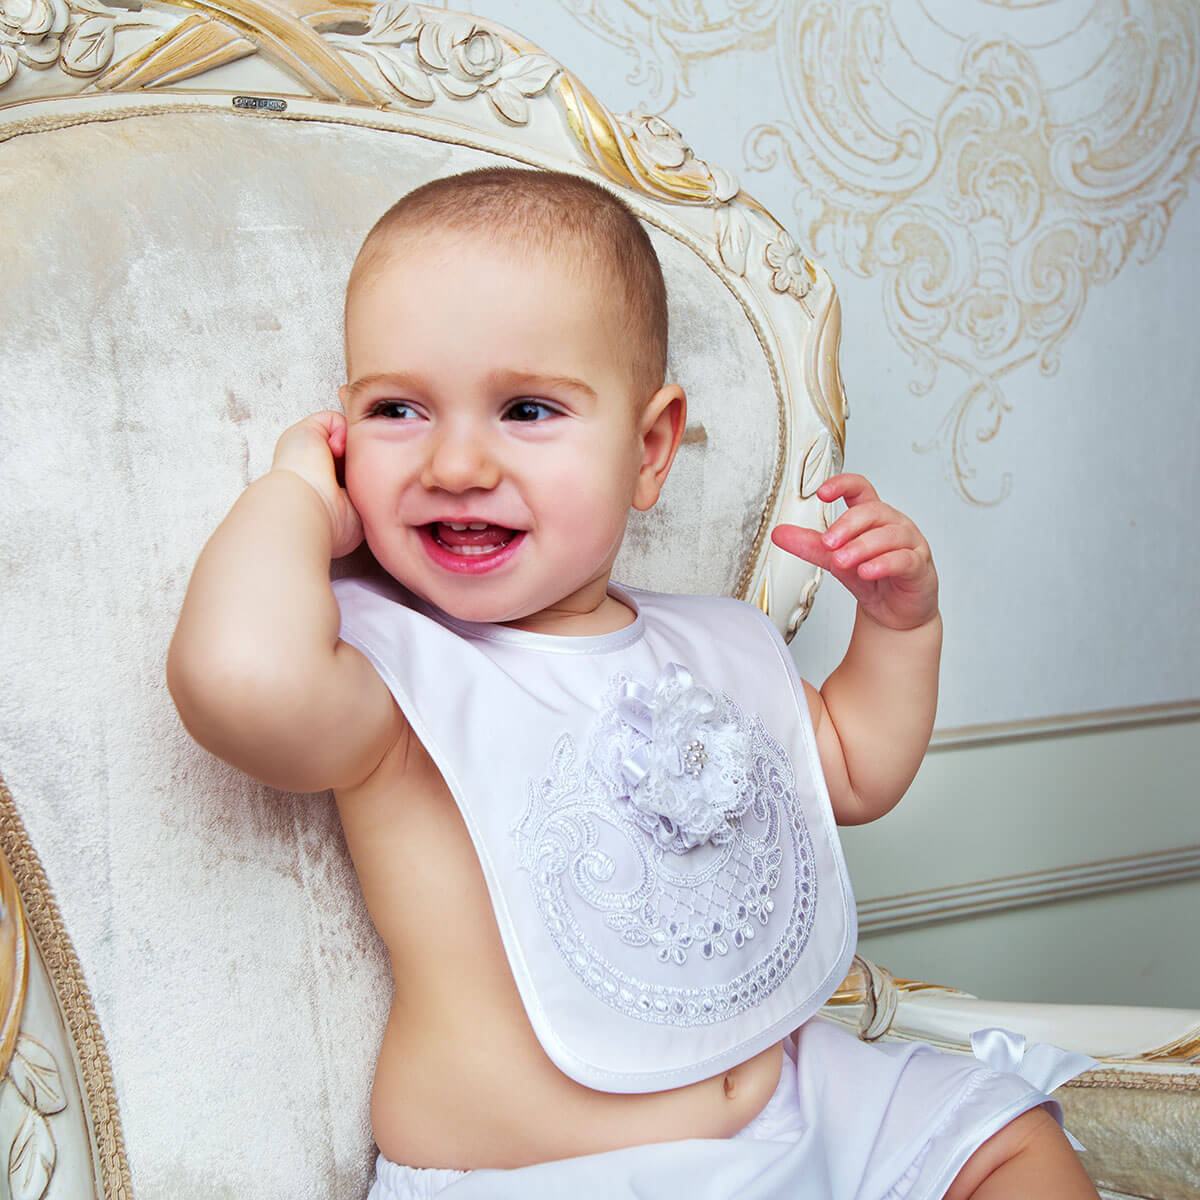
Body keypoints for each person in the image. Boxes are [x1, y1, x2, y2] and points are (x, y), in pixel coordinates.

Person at [167, 167, 1098, 1199]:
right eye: (397, 410)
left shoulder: (712, 647)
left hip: (801, 1105)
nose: (458, 462)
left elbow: (856, 770)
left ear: (650, 449)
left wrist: (900, 627)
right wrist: (297, 498)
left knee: (1010, 1140)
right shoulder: (395, 684)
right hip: (562, 1173)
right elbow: (237, 680)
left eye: (526, 408)